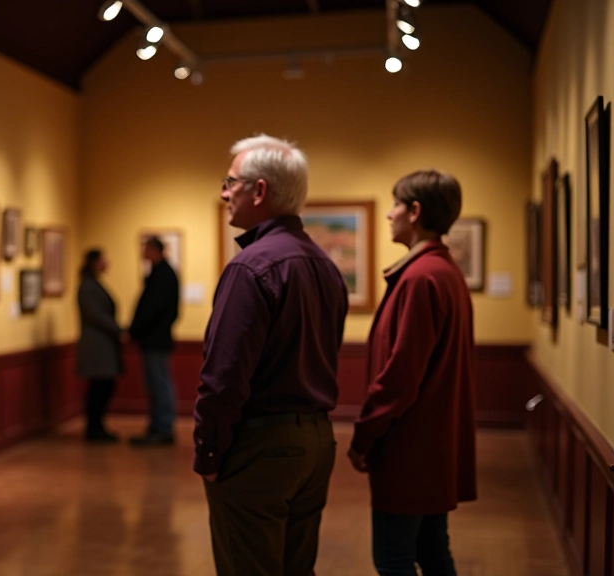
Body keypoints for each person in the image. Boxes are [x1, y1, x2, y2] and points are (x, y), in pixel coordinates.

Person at [194, 134, 348, 576]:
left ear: (259, 190)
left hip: (260, 448)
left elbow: (222, 378)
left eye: (230, 182)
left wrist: (208, 454)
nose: (223, 192)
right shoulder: (323, 265)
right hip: (316, 444)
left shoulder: (250, 267)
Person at [347, 170, 476, 576]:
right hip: (434, 448)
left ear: (415, 211)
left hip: (409, 448)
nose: (389, 214)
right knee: (433, 550)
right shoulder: (445, 271)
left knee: (394, 558)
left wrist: (364, 436)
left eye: (395, 204)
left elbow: (400, 378)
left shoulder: (420, 278)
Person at [128, 236, 180, 446]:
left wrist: (136, 329)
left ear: (154, 250)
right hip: (155, 338)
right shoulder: (161, 273)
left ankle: (163, 427)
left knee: (159, 383)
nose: (143, 253)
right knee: (156, 383)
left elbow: (153, 309)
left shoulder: (163, 274)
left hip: (155, 339)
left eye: (145, 249)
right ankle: (159, 425)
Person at [76, 248, 123, 442]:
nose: (106, 264)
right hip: (96, 346)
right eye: (103, 260)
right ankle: (94, 428)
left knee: (104, 386)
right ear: (94, 262)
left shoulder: (94, 283)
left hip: (103, 344)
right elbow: (95, 315)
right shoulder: (87, 286)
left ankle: (97, 426)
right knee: (100, 386)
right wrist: (118, 329)